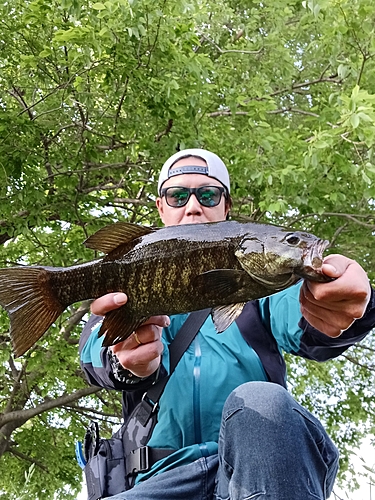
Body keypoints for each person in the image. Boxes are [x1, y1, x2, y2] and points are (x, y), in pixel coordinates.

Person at [79, 148, 375, 500]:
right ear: (161, 207)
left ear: (226, 205)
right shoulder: (131, 283)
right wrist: (123, 359)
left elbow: (304, 317)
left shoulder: (264, 291)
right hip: (156, 480)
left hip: (257, 472)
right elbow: (93, 350)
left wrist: (347, 302)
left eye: (207, 194)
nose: (192, 205)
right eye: (177, 195)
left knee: (261, 400)